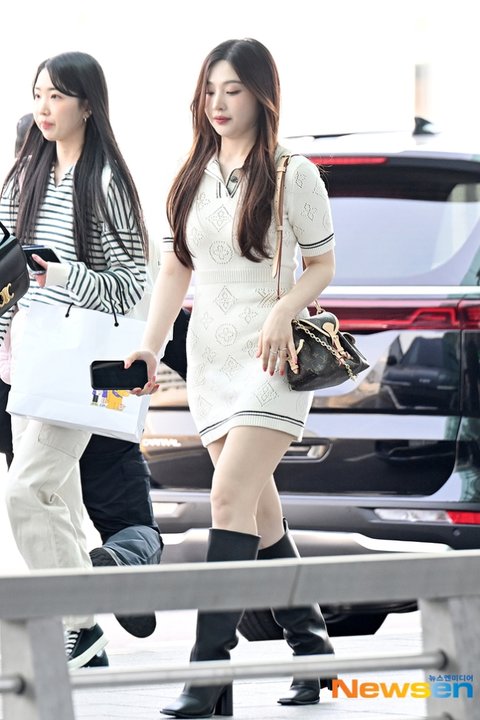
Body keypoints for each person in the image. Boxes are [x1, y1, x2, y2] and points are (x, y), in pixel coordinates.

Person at [127, 37, 336, 717]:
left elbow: (322, 266)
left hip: (273, 357)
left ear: (261, 94)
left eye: (234, 89)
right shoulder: (190, 173)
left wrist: (282, 310)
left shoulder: (293, 172)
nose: (218, 103)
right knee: (255, 507)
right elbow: (174, 270)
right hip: (210, 360)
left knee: (226, 499)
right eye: (210, 90)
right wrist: (150, 347)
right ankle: (312, 646)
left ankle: (209, 673)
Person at [0, 51, 150, 670]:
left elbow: (133, 287)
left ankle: (78, 624)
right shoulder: (24, 176)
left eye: (57, 95)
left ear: (88, 105)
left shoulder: (107, 183)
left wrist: (62, 276)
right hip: (28, 363)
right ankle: (82, 630)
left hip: (81, 369)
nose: (44, 107)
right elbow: (6, 271)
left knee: (24, 493)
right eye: (38, 94)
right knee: (54, 500)